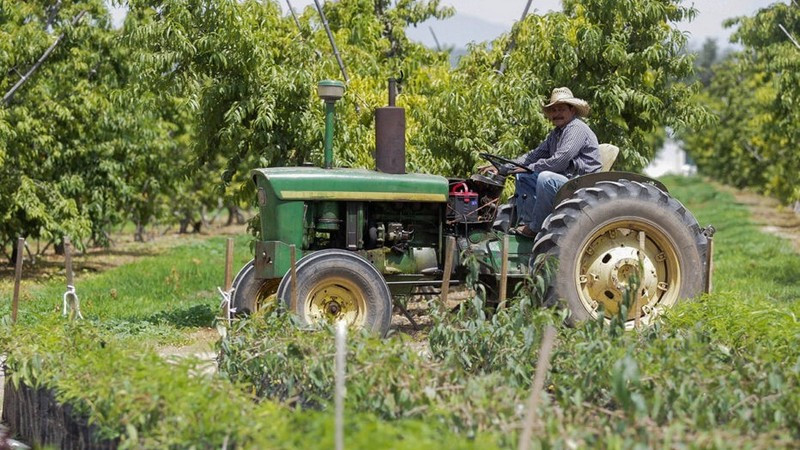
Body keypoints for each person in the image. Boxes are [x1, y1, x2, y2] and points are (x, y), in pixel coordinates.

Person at [487, 87, 602, 237]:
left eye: (561, 109)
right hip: (567, 181)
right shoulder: (555, 134)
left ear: (572, 110)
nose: (556, 114)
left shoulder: (576, 128)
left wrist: (530, 167)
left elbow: (560, 160)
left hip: (581, 184)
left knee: (545, 178)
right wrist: (504, 167)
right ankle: (525, 223)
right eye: (553, 111)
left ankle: (535, 228)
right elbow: (532, 156)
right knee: (524, 177)